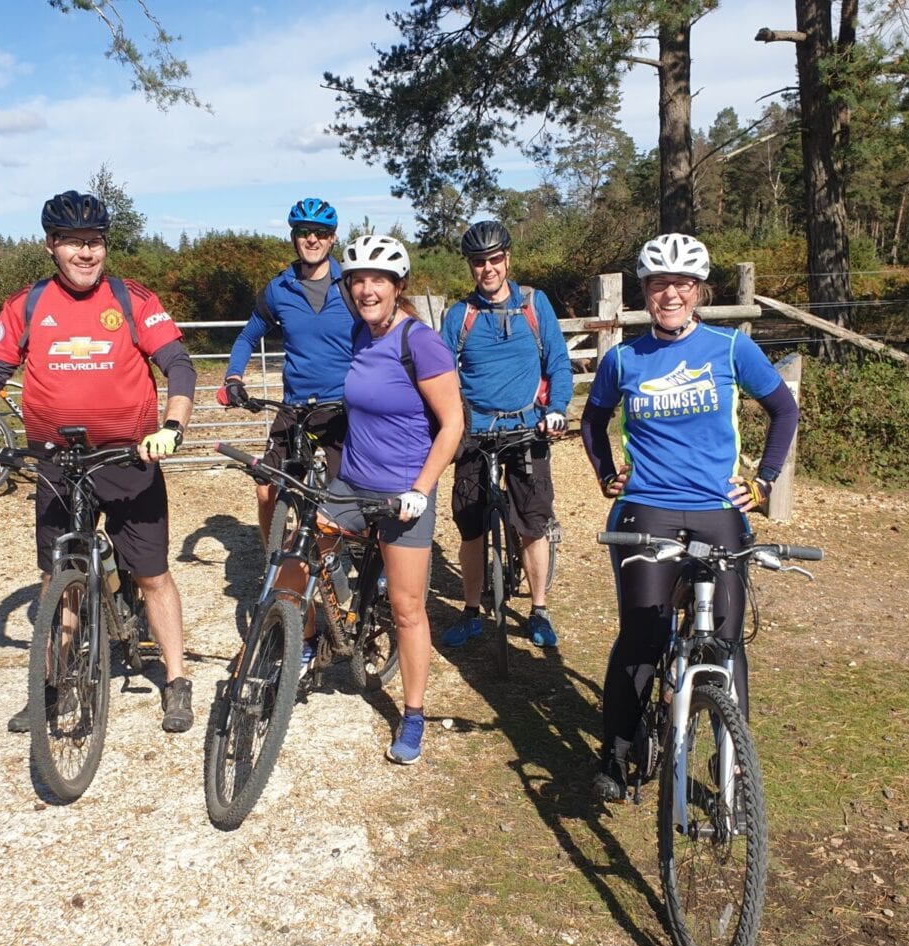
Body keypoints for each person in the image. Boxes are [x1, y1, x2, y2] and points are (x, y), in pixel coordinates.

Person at [0, 190, 197, 735]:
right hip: (57, 463)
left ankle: (178, 679)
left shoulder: (133, 299)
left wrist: (171, 427)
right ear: (51, 246)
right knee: (55, 577)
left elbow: (179, 366)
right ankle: (51, 684)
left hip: (128, 458)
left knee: (154, 574)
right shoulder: (26, 304)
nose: (85, 253)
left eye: (94, 242)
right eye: (72, 243)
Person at [580, 233, 799, 800]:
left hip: (718, 510)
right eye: (659, 284)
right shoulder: (624, 358)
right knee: (643, 634)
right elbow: (593, 420)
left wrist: (764, 481)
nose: (670, 294)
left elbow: (782, 408)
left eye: (681, 284)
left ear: (699, 290)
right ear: (645, 292)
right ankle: (618, 750)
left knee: (727, 640)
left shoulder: (730, 349)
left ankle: (736, 763)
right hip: (645, 509)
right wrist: (607, 475)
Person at [319, 234, 464, 764]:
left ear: (397, 286)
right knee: (302, 553)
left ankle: (413, 715)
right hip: (351, 482)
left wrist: (421, 491)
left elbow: (452, 425)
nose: (365, 288)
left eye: (377, 279)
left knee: (407, 609)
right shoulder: (359, 334)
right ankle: (301, 640)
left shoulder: (420, 342)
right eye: (356, 279)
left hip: (404, 492)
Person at [439, 220, 573, 650]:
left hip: (526, 428)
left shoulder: (536, 303)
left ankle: (539, 609)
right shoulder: (459, 315)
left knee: (533, 524)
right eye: (479, 262)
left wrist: (555, 411)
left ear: (507, 259)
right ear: (471, 266)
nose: (488, 268)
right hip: (475, 432)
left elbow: (558, 363)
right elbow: (439, 375)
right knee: (471, 528)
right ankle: (472, 611)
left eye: (495, 259)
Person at [221, 197, 356, 544]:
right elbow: (248, 336)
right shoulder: (279, 289)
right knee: (266, 487)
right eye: (304, 232)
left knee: (345, 497)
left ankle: (347, 563)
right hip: (294, 407)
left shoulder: (352, 286)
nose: (313, 239)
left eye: (321, 233)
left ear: (333, 238)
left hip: (343, 408)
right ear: (294, 237)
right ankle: (274, 563)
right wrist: (234, 376)